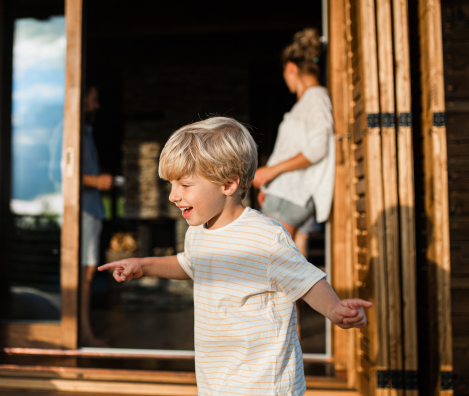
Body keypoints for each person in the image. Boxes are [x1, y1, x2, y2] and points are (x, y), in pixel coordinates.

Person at [99, 116, 371, 395]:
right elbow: (189, 264)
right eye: (171, 185)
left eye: (184, 185)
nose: (172, 195)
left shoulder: (265, 237)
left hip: (264, 384)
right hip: (217, 380)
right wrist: (143, 264)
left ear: (228, 184)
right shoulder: (199, 231)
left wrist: (333, 308)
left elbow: (307, 281)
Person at [252, 28, 335, 258]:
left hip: (290, 195)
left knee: (268, 258)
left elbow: (317, 149)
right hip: (289, 194)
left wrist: (270, 172)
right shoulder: (309, 101)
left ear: (291, 68)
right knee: (294, 267)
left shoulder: (315, 98)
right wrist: (271, 183)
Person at [80, 85, 113, 347]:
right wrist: (97, 181)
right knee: (84, 273)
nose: (97, 106)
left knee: (87, 272)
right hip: (81, 211)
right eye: (93, 100)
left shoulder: (85, 133)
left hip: (92, 211)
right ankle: (82, 333)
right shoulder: (69, 133)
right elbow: (60, 175)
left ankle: (83, 331)